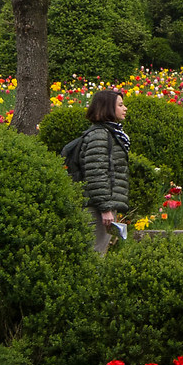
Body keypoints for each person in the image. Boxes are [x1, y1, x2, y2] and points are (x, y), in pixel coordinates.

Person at [75, 86, 130, 256]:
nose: (125, 108)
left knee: (99, 251)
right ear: (107, 108)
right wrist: (105, 208)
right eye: (120, 105)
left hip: (102, 204)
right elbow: (96, 173)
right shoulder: (100, 135)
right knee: (95, 253)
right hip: (96, 207)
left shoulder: (112, 134)